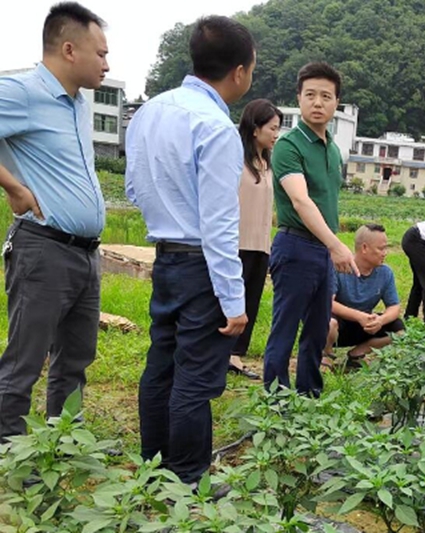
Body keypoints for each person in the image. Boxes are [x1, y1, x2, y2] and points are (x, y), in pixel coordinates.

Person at [125, 16, 255, 485]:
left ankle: (153, 466)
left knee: (161, 363)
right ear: (241, 71)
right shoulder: (216, 127)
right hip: (202, 264)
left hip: (167, 256)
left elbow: (135, 188)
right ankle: (188, 479)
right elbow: (220, 224)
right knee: (194, 379)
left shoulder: (149, 112)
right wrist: (234, 302)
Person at [0, 2, 109, 441]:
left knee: (75, 360)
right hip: (42, 249)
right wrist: (12, 186)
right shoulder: (22, 91)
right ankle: (11, 454)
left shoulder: (80, 104)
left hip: (85, 253)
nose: (107, 63)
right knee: (25, 360)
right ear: (69, 49)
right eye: (100, 53)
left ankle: (64, 444)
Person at [263, 61, 358, 397]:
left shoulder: (333, 150)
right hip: (296, 246)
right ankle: (276, 400)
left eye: (326, 96)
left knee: (318, 329)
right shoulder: (289, 146)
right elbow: (302, 202)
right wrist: (336, 244)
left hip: (322, 250)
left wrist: (331, 246)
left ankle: (308, 394)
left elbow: (327, 201)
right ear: (299, 99)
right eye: (311, 95)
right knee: (285, 328)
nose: (318, 103)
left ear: (336, 104)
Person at [228, 100, 282, 380]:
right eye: (272, 128)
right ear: (254, 128)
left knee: (251, 301)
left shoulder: (266, 164)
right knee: (228, 301)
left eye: (278, 129)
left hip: (261, 244)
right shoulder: (236, 160)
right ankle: (218, 354)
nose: (276, 134)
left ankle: (235, 356)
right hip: (236, 243)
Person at [324, 224, 404, 370]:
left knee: (399, 330)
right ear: (365, 248)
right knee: (328, 322)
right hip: (338, 326)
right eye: (381, 248)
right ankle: (325, 354)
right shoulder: (339, 268)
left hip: (365, 326)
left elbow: (394, 306)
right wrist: (358, 316)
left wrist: (380, 320)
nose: (385, 253)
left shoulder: (385, 273)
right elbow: (327, 302)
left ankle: (357, 354)